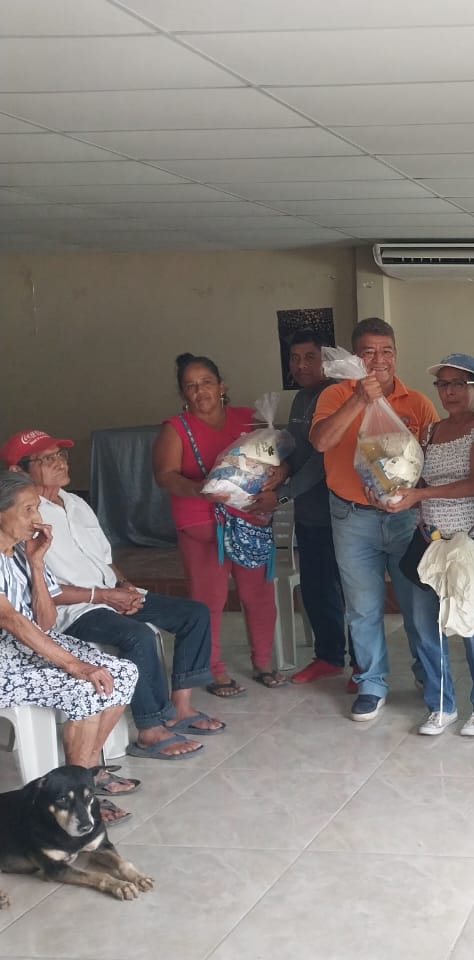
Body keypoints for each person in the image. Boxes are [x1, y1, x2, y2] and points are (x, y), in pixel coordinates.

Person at [4, 429, 223, 761]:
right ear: (17, 471)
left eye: (60, 455)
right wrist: (102, 596)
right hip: (77, 609)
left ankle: (181, 708)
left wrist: (125, 586)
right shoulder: (20, 518)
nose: (60, 463)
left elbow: (104, 559)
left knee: (194, 614)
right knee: (137, 635)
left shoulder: (76, 503)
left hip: (109, 594)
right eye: (47, 459)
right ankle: (151, 729)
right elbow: (39, 595)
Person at [311, 317, 438, 722]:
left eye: (387, 352)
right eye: (369, 353)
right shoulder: (335, 395)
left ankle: (429, 676)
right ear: (355, 357)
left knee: (419, 604)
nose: (379, 360)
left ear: (396, 355)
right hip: (352, 517)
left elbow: (432, 462)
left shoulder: (417, 403)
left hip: (406, 519)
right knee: (363, 606)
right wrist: (359, 401)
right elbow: (320, 441)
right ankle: (371, 683)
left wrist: (405, 492)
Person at [377, 353, 474, 738]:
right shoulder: (431, 431)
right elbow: (417, 479)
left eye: (459, 384)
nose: (449, 392)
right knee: (423, 622)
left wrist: (421, 495)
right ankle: (441, 704)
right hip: (431, 540)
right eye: (443, 384)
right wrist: (391, 488)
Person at [0, 472, 138, 822]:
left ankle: (85, 776)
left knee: (123, 672)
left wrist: (36, 563)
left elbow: (44, 622)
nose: (37, 518)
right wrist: (75, 665)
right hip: (5, 658)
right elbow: (11, 620)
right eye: (28, 509)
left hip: (29, 645)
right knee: (85, 687)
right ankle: (76, 800)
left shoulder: (20, 552)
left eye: (37, 508)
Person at [153, 352, 285, 697]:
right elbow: (165, 475)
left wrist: (278, 477)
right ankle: (213, 669)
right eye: (191, 386)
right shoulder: (175, 429)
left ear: (222, 386)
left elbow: (277, 459)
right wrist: (199, 489)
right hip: (201, 524)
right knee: (207, 600)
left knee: (259, 596)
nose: (200, 391)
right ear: (184, 393)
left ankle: (263, 662)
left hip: (249, 520)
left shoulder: (249, 420)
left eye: (206, 383)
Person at [278, 330, 354, 687]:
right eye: (295, 358)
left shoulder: (337, 395)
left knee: (351, 592)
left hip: (338, 513)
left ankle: (363, 667)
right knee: (315, 589)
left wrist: (284, 494)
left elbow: (322, 460)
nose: (301, 365)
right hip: (308, 515)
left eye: (310, 357)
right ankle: (328, 657)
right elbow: (295, 451)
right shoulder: (300, 400)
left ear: (327, 361)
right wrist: (275, 469)